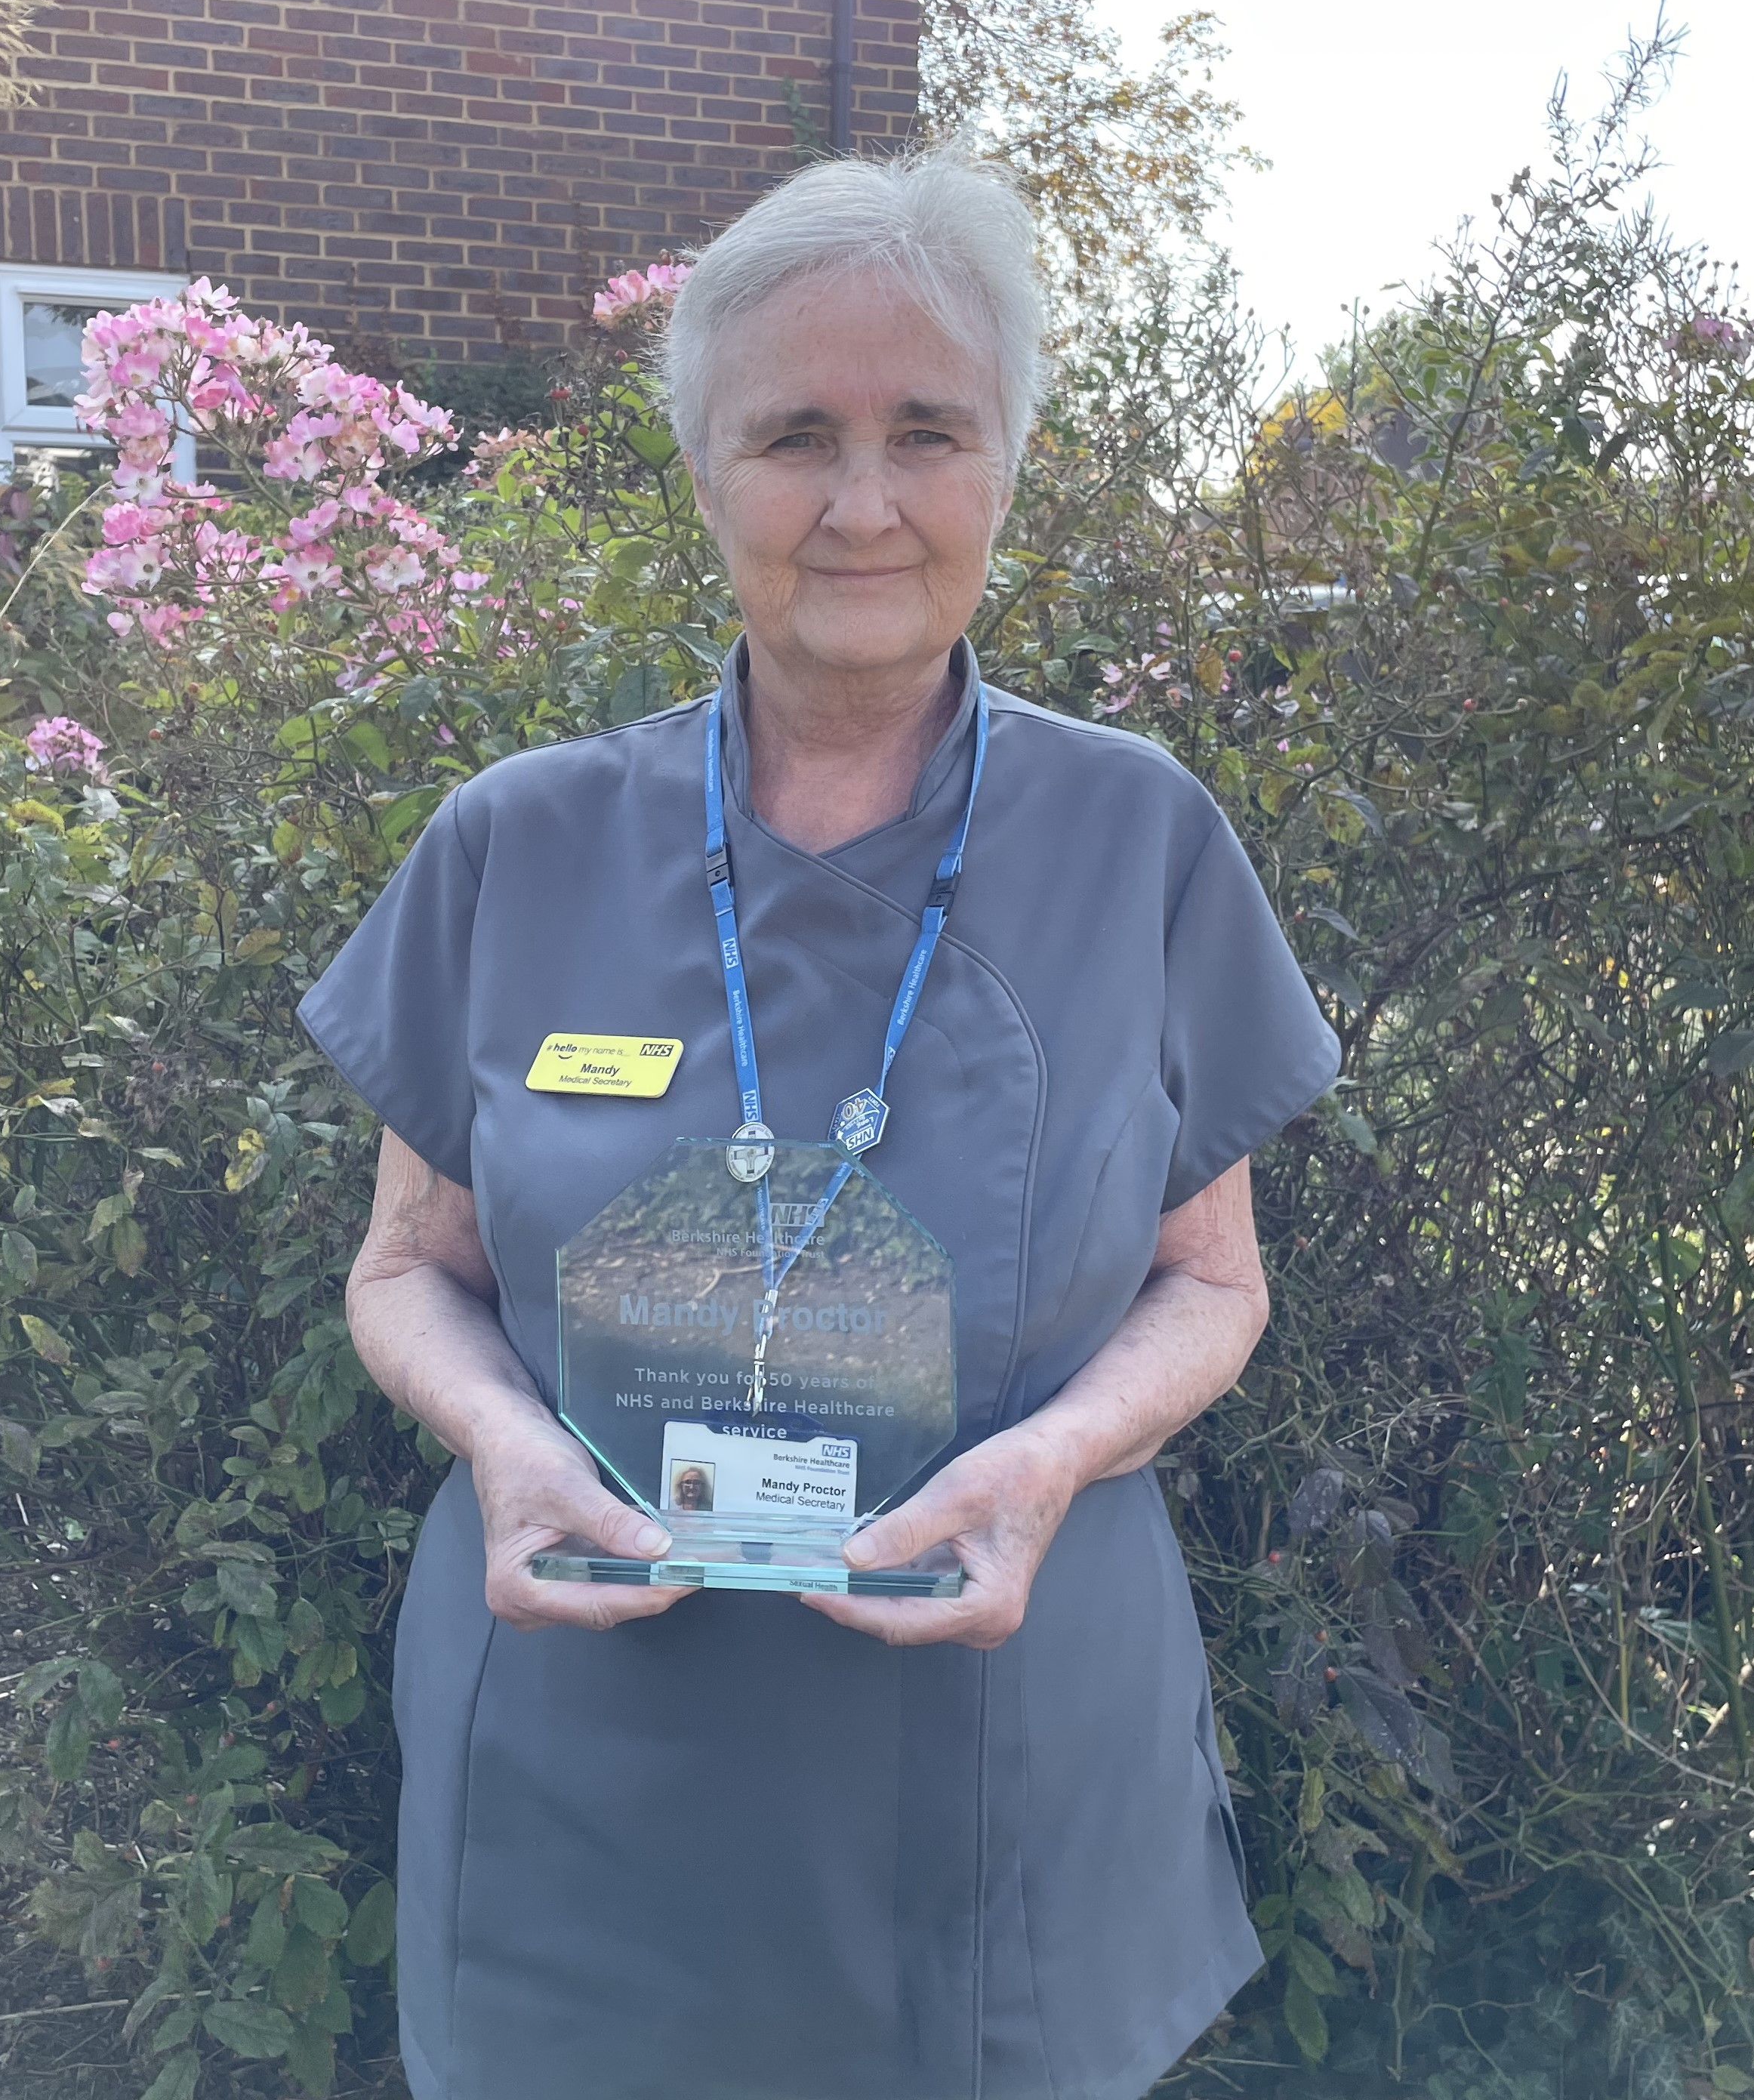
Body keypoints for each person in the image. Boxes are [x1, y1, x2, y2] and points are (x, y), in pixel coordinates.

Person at [300, 146, 1341, 2100]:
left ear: (1005, 465)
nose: (864, 503)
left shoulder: (1141, 843)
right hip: (590, 1784)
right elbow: (405, 1269)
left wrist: (1047, 1467)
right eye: (795, 435)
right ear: (707, 474)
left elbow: (1213, 1284)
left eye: (926, 431)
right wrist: (506, 1446)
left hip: (1008, 1771)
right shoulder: (515, 848)